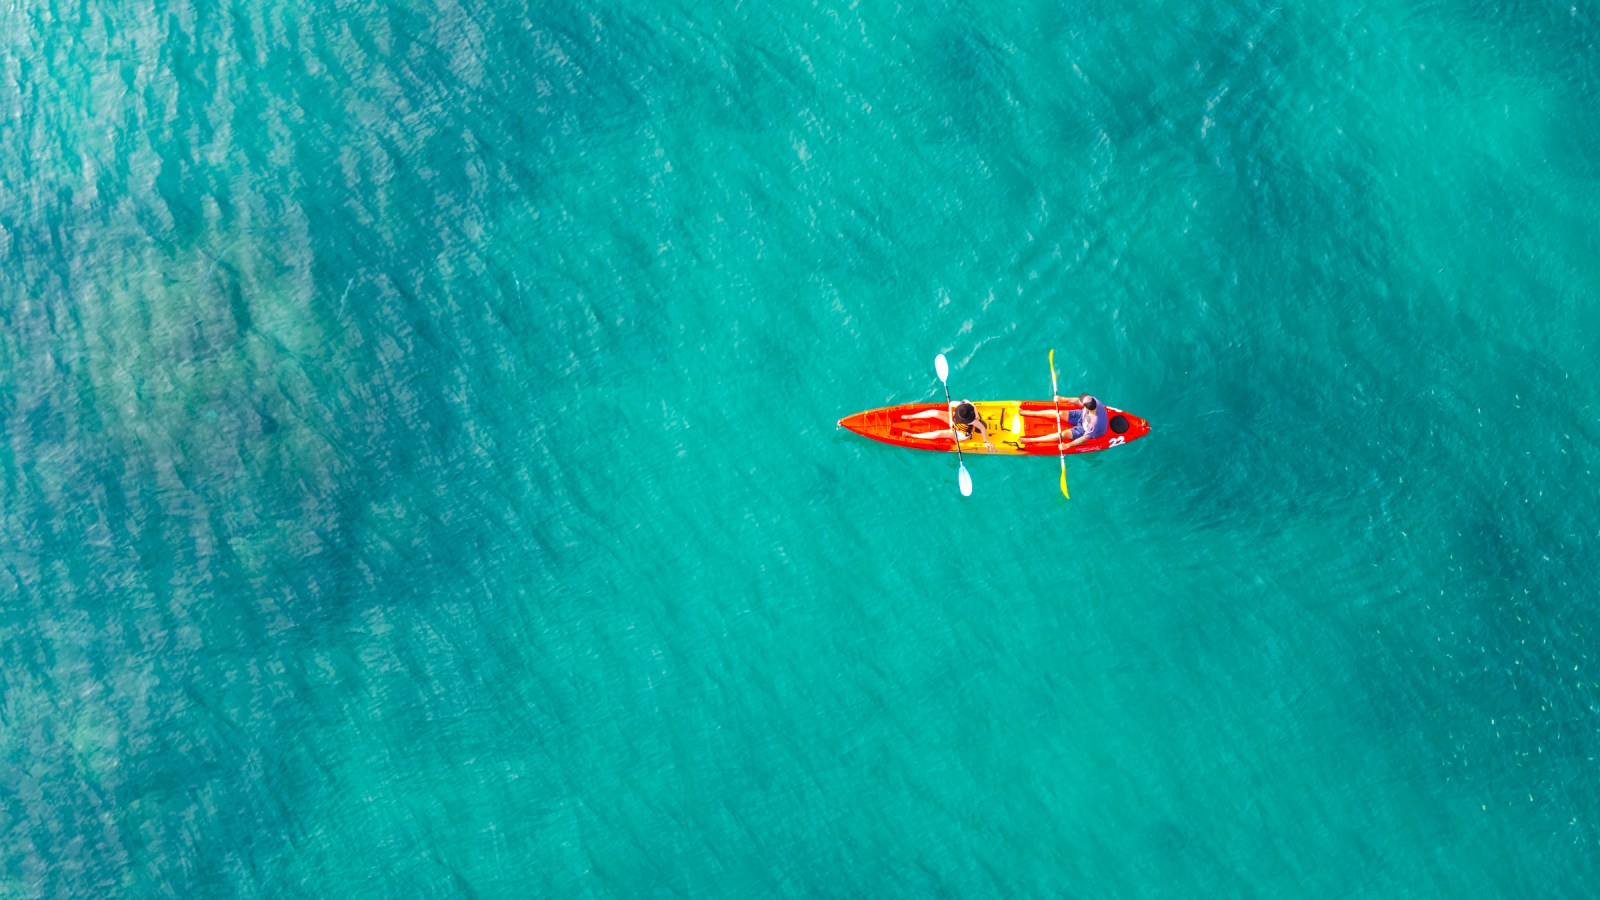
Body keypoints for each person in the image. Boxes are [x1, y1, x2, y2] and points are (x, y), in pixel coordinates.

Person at [1020, 394, 1107, 449]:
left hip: (1084, 429)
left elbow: (1084, 439)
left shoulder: (1094, 423)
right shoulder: (1093, 400)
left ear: (1087, 408)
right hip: (1082, 415)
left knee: (1062, 434)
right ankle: (1031, 413)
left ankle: (1031, 440)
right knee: (1060, 413)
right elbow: (1078, 401)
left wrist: (1067, 445)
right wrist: (1062, 399)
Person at [901, 400, 995, 450]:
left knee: (938, 434)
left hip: (960, 433)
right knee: (935, 413)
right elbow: (950, 405)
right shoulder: (962, 404)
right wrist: (951, 420)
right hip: (955, 421)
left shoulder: (972, 420)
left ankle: (912, 435)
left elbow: (982, 428)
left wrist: (986, 441)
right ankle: (911, 417)